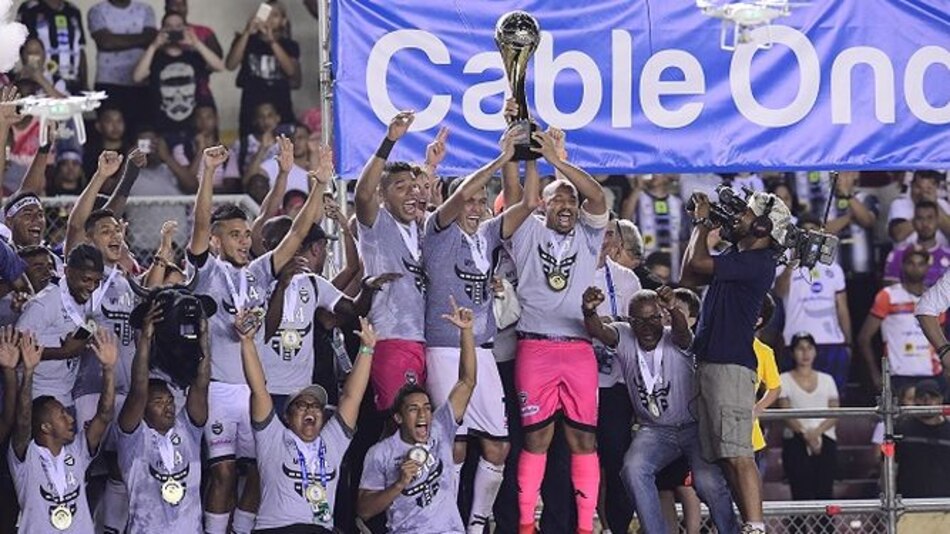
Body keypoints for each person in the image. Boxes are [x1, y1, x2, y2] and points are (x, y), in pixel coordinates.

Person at [186, 144, 329, 534]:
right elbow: (200, 225)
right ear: (217, 241)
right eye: (234, 235)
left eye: (246, 234)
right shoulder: (207, 271)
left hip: (254, 391)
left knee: (261, 473)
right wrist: (208, 174)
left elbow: (298, 231)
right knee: (224, 473)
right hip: (218, 391)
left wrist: (319, 185)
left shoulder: (259, 272)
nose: (244, 241)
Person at [421, 126, 538, 532]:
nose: (475, 206)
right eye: (469, 200)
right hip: (444, 347)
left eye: (481, 200)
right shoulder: (437, 231)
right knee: (453, 442)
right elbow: (455, 199)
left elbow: (530, 201)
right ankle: (446, 521)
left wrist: (529, 155)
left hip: (483, 349)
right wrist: (500, 158)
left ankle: (475, 522)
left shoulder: (488, 234)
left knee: (498, 444)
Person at [505, 128, 608, 534]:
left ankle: (586, 528)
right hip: (535, 348)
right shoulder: (528, 231)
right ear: (543, 206)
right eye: (558, 197)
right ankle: (527, 526)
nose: (567, 204)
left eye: (571, 199)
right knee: (536, 442)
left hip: (579, 348)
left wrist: (559, 162)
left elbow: (597, 196)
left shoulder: (589, 232)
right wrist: (534, 158)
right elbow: (523, 198)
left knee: (584, 442)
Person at [583, 286, 739, 534]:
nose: (646, 327)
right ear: (629, 320)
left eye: (653, 318)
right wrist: (589, 311)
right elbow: (599, 331)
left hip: (693, 427)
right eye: (639, 321)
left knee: (708, 481)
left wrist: (673, 308)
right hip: (654, 431)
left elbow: (682, 333)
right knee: (633, 470)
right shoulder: (624, 335)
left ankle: (732, 531)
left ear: (662, 317)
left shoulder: (675, 335)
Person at [680, 189, 791, 534]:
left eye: (744, 214)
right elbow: (689, 274)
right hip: (715, 365)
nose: (736, 217)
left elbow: (697, 264)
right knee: (728, 458)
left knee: (738, 454)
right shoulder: (739, 255)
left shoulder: (758, 262)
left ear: (761, 227)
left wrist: (701, 223)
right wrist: (703, 226)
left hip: (730, 367)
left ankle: (755, 528)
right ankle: (747, 525)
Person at [244, 301, 375, 532]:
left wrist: (366, 350)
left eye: (316, 407)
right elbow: (259, 389)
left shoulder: (332, 442)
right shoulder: (273, 437)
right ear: (286, 416)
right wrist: (247, 342)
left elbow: (351, 397)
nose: (310, 410)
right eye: (301, 406)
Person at [357, 298, 478, 533]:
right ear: (399, 418)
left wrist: (466, 332)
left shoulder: (440, 429)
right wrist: (399, 483)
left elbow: (467, 381)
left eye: (427, 407)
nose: (423, 413)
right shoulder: (381, 453)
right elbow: (364, 509)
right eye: (413, 409)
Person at [353, 111, 428, 414]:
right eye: (401, 187)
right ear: (383, 195)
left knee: (421, 426)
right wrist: (389, 141)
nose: (412, 191)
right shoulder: (376, 224)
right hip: (391, 340)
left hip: (424, 341)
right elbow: (362, 193)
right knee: (397, 423)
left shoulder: (421, 229)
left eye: (414, 186)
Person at [9, 327, 118, 533]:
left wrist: (109, 370)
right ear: (45, 426)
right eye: (62, 414)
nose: (70, 419)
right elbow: (23, 421)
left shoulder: (78, 451)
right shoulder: (27, 457)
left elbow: (104, 415)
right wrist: (29, 373)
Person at [114, 300, 210, 532]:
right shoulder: (133, 438)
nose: (168, 407)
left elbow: (201, 384)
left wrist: (204, 339)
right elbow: (138, 390)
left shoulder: (188, 430)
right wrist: (145, 340)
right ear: (143, 409)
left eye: (169, 401)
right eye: (158, 402)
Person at [591, 218, 641, 534]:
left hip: (615, 384)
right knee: (579, 461)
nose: (604, 239)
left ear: (618, 241)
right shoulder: (570, 269)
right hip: (578, 379)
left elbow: (639, 329)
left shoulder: (627, 280)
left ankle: (616, 528)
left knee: (615, 461)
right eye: (598, 232)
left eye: (609, 233)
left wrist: (616, 323)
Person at [774, 214, 852, 391]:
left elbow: (843, 309)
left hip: (832, 342)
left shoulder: (834, 268)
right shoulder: (784, 265)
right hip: (795, 342)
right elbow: (779, 292)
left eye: (814, 233)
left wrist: (848, 343)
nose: (810, 238)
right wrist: (793, 260)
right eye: (805, 234)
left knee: (833, 398)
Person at [860, 249, 946, 394]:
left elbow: (940, 339)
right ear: (903, 265)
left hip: (932, 374)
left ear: (927, 267)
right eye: (911, 263)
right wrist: (875, 376)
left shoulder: (935, 299)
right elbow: (864, 338)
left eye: (920, 264)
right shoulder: (888, 296)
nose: (916, 268)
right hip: (898, 374)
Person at [132, 12, 224, 142]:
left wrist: (196, 43)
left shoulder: (193, 56)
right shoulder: (154, 57)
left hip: (192, 127)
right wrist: (153, 46)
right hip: (162, 127)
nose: (174, 30)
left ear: (185, 29)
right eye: (169, 26)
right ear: (162, 30)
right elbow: (137, 77)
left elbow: (219, 66)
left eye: (178, 26)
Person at [778, 332, 840, 500]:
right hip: (795, 439)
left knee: (825, 492)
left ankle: (825, 527)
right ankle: (798, 527)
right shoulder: (783, 379)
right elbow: (785, 411)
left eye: (809, 348)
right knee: (799, 491)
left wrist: (817, 433)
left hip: (825, 438)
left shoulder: (827, 380)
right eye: (800, 348)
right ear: (792, 352)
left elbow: (835, 412)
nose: (805, 353)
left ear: (815, 351)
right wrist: (806, 435)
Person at [226, 1, 300, 139]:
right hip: (251, 106)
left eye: (275, 15)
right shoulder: (247, 41)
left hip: (280, 105)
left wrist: (272, 41)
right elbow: (230, 65)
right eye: (267, 14)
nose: (270, 19)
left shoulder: (289, 45)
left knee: (284, 147)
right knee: (249, 146)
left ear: (283, 21)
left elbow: (291, 71)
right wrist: (247, 32)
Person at [88, 0, 158, 131]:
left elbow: (150, 38)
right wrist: (140, 39)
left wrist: (116, 39)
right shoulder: (97, 10)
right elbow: (106, 42)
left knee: (139, 132)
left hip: (140, 84)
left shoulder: (146, 10)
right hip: (108, 83)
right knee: (110, 132)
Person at [17, 0, 88, 94]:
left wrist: (85, 85)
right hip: (42, 87)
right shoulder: (30, 9)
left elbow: (80, 49)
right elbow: (30, 48)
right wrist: (37, 79)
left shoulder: (73, 11)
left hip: (73, 84)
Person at [895, 379, 950, 497]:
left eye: (932, 396)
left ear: (941, 400)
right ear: (915, 400)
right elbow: (889, 465)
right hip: (908, 502)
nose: (927, 401)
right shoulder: (901, 430)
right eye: (922, 396)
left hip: (945, 503)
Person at [884, 201, 950, 287]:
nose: (925, 224)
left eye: (930, 218)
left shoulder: (948, 255)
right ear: (913, 222)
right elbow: (891, 294)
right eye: (920, 218)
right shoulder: (898, 255)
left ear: (938, 221)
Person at [887, 170, 950, 246]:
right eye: (918, 187)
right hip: (908, 254)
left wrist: (934, 205)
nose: (923, 192)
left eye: (928, 188)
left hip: (940, 255)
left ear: (935, 188)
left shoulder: (943, 204)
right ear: (911, 186)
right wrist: (922, 215)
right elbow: (897, 235)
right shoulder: (899, 204)